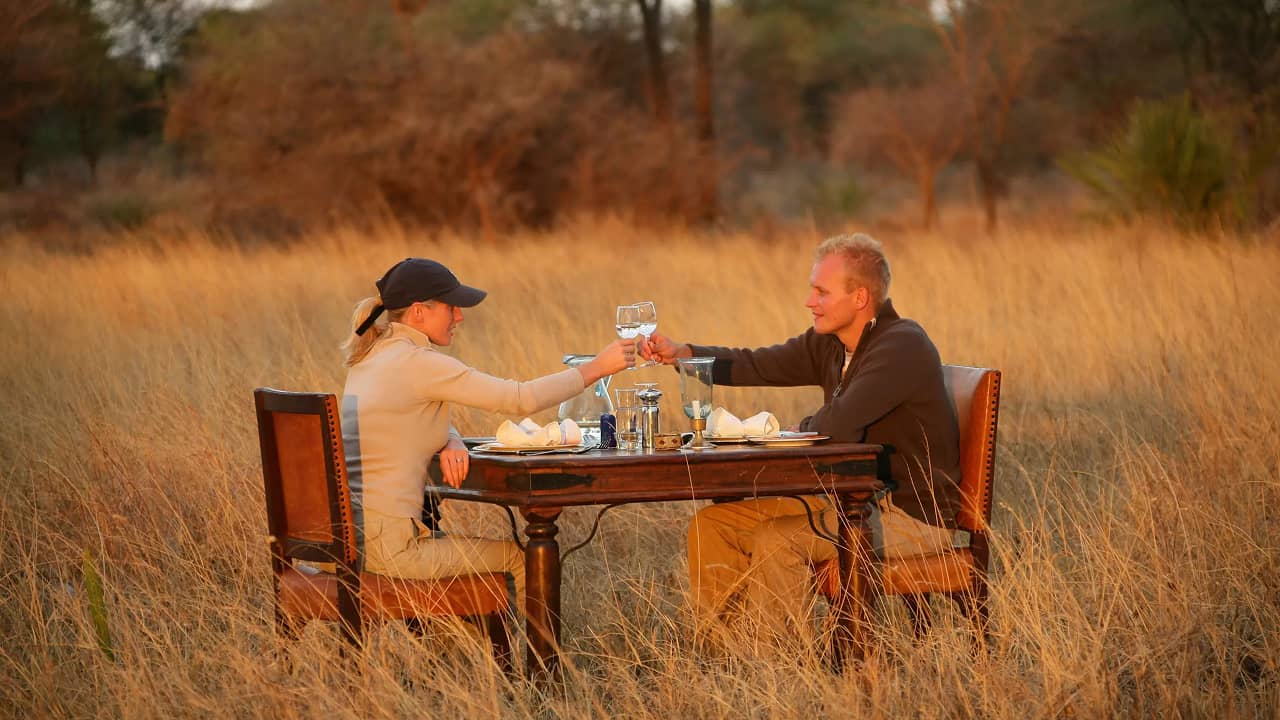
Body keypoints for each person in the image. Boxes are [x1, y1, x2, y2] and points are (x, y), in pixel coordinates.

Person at [641, 233, 960, 642]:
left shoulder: (901, 346)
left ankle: (774, 667)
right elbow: (757, 364)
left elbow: (839, 425)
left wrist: (795, 428)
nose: (809, 301)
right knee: (713, 525)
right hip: (850, 500)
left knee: (778, 540)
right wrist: (686, 354)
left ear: (860, 297)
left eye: (821, 292)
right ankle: (726, 656)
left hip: (913, 517)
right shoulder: (831, 344)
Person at [340, 257, 636, 610]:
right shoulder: (419, 362)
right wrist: (596, 369)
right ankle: (540, 664)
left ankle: (473, 661)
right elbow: (519, 399)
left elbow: (401, 412)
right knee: (519, 558)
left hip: (354, 540)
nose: (460, 317)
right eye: (452, 307)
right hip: (393, 551)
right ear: (419, 312)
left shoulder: (373, 354)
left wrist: (450, 437)